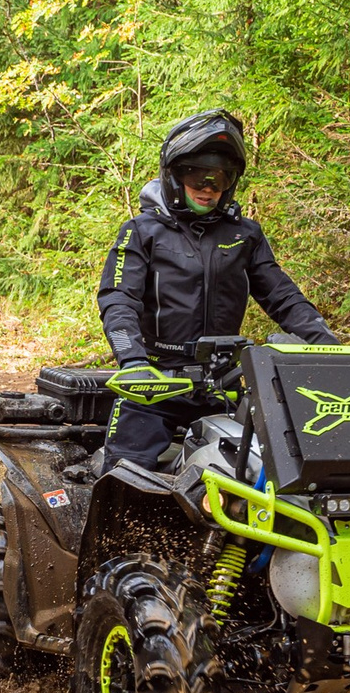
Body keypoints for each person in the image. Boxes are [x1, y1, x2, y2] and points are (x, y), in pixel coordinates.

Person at [94, 110, 337, 471]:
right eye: (198, 176)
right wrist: (132, 360)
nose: (208, 188)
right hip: (155, 385)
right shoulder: (142, 231)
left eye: (220, 178)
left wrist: (328, 345)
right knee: (124, 478)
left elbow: (283, 297)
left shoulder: (244, 234)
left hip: (225, 387)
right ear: (175, 175)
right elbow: (118, 298)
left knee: (274, 471)